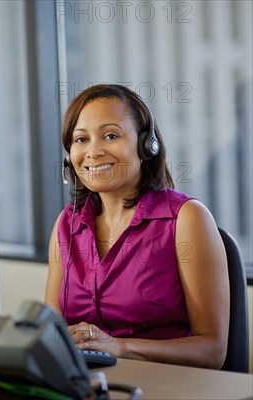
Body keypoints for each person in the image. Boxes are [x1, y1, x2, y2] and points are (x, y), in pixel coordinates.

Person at [44, 84, 229, 369]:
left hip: (168, 388)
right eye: (81, 139)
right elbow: (51, 331)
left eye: (110, 135)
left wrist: (118, 347)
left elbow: (212, 351)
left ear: (146, 145)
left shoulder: (186, 219)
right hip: (89, 385)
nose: (93, 152)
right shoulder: (67, 224)